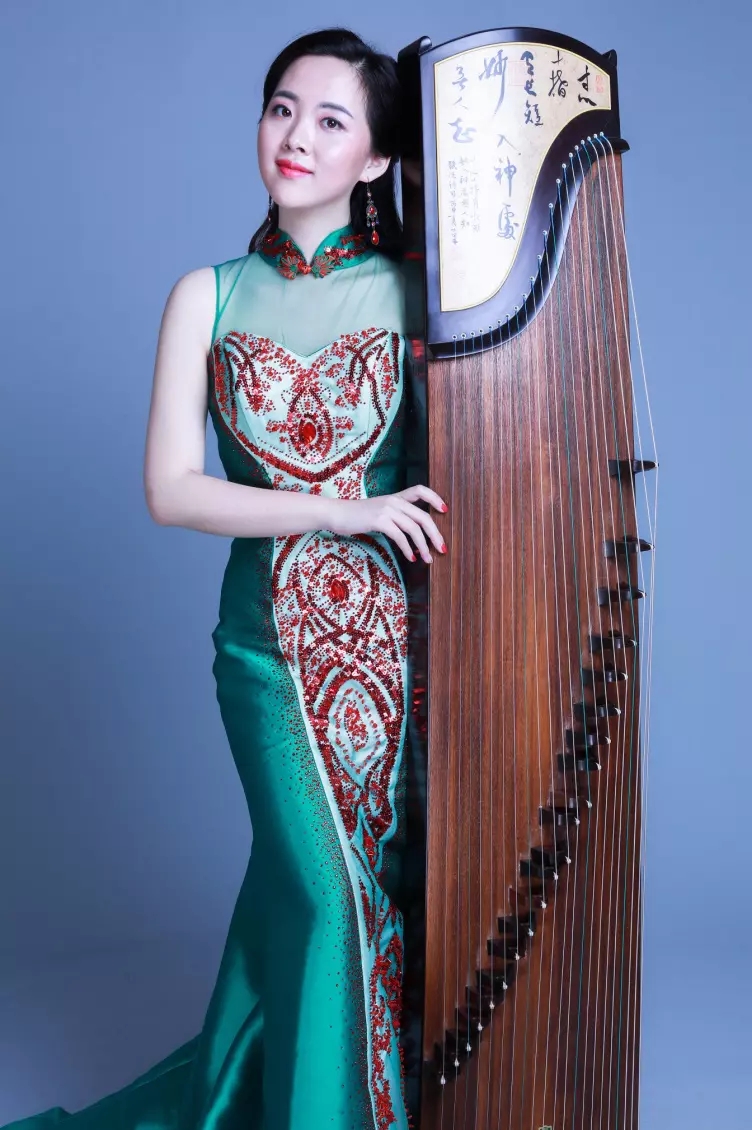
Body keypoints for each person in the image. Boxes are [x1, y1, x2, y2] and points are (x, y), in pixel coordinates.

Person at [4, 26, 447, 1130]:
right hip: (267, 652)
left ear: (377, 159)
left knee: (351, 895)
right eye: (281, 107)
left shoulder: (419, 296)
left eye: (331, 120)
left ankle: (246, 1100)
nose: (296, 135)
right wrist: (342, 509)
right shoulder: (204, 294)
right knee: (331, 898)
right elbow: (171, 489)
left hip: (401, 649)